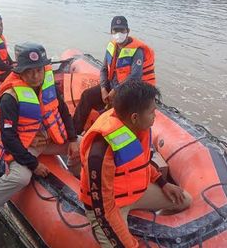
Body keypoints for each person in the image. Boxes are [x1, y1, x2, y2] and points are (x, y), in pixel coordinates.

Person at [0, 43, 81, 241]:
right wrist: (33, 164)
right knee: (20, 177)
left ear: (44, 68)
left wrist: (74, 139)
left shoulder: (49, 83)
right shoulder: (10, 96)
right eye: (29, 72)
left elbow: (63, 112)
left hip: (48, 139)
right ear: (20, 71)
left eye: (38, 70)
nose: (35, 76)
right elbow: (8, 138)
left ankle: (80, 179)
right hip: (25, 146)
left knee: (86, 144)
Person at [79, 79, 191, 248]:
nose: (155, 116)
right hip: (109, 205)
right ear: (135, 117)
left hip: (134, 191)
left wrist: (163, 183)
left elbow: (142, 163)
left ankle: (153, 223)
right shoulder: (101, 150)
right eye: (152, 112)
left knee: (185, 200)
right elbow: (103, 208)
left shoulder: (139, 128)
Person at [73, 16, 156, 135]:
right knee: (87, 95)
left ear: (128, 31)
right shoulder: (111, 46)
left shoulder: (137, 51)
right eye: (115, 31)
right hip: (111, 86)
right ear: (111, 32)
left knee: (113, 113)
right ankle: (74, 133)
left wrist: (115, 91)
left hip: (128, 90)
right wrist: (103, 89)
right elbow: (103, 69)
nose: (118, 34)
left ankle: (104, 132)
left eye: (122, 30)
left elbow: (135, 76)